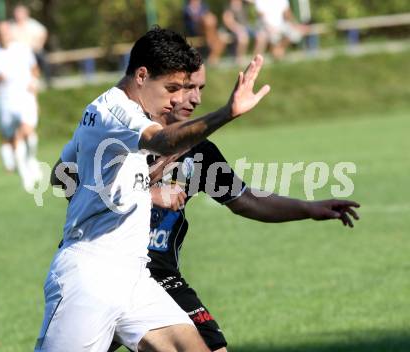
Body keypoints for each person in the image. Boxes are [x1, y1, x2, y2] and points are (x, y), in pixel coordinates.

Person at [37, 26, 270, 352]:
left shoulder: (98, 112)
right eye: (171, 88)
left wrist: (128, 190)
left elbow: (62, 177)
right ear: (142, 76)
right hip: (90, 275)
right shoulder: (117, 111)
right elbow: (160, 140)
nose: (178, 98)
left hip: (132, 276)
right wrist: (227, 113)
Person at [140, 64, 360, 352]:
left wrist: (309, 208)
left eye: (200, 89)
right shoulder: (124, 136)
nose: (195, 99)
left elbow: (247, 200)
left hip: (162, 279)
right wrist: (147, 194)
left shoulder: (200, 153)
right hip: (103, 274)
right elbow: (69, 183)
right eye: (187, 87)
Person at [0, 21, 41, 191]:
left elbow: (35, 69)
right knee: (13, 139)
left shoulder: (22, 49)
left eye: (6, 31)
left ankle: (30, 159)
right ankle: (25, 175)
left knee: (28, 132)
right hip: (5, 101)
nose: (4, 35)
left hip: (24, 97)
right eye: (0, 32)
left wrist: (34, 84)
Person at [11, 4, 50, 86]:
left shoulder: (33, 24)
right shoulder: (12, 26)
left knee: (42, 57)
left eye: (20, 13)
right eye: (17, 13)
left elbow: (44, 33)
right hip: (17, 53)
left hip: (33, 50)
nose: (18, 15)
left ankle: (48, 81)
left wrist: (40, 45)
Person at [222, 0, 266, 65]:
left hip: (247, 27)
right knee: (243, 38)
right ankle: (239, 60)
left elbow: (253, 2)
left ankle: (257, 59)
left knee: (261, 36)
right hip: (235, 29)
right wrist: (238, 28)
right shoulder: (229, 7)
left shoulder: (244, 4)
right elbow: (228, 22)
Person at [184, 0, 226, 65]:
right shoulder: (187, 8)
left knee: (211, 19)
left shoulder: (203, 6)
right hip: (195, 31)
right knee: (208, 20)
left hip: (207, 31)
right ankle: (211, 41)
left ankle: (212, 58)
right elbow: (194, 19)